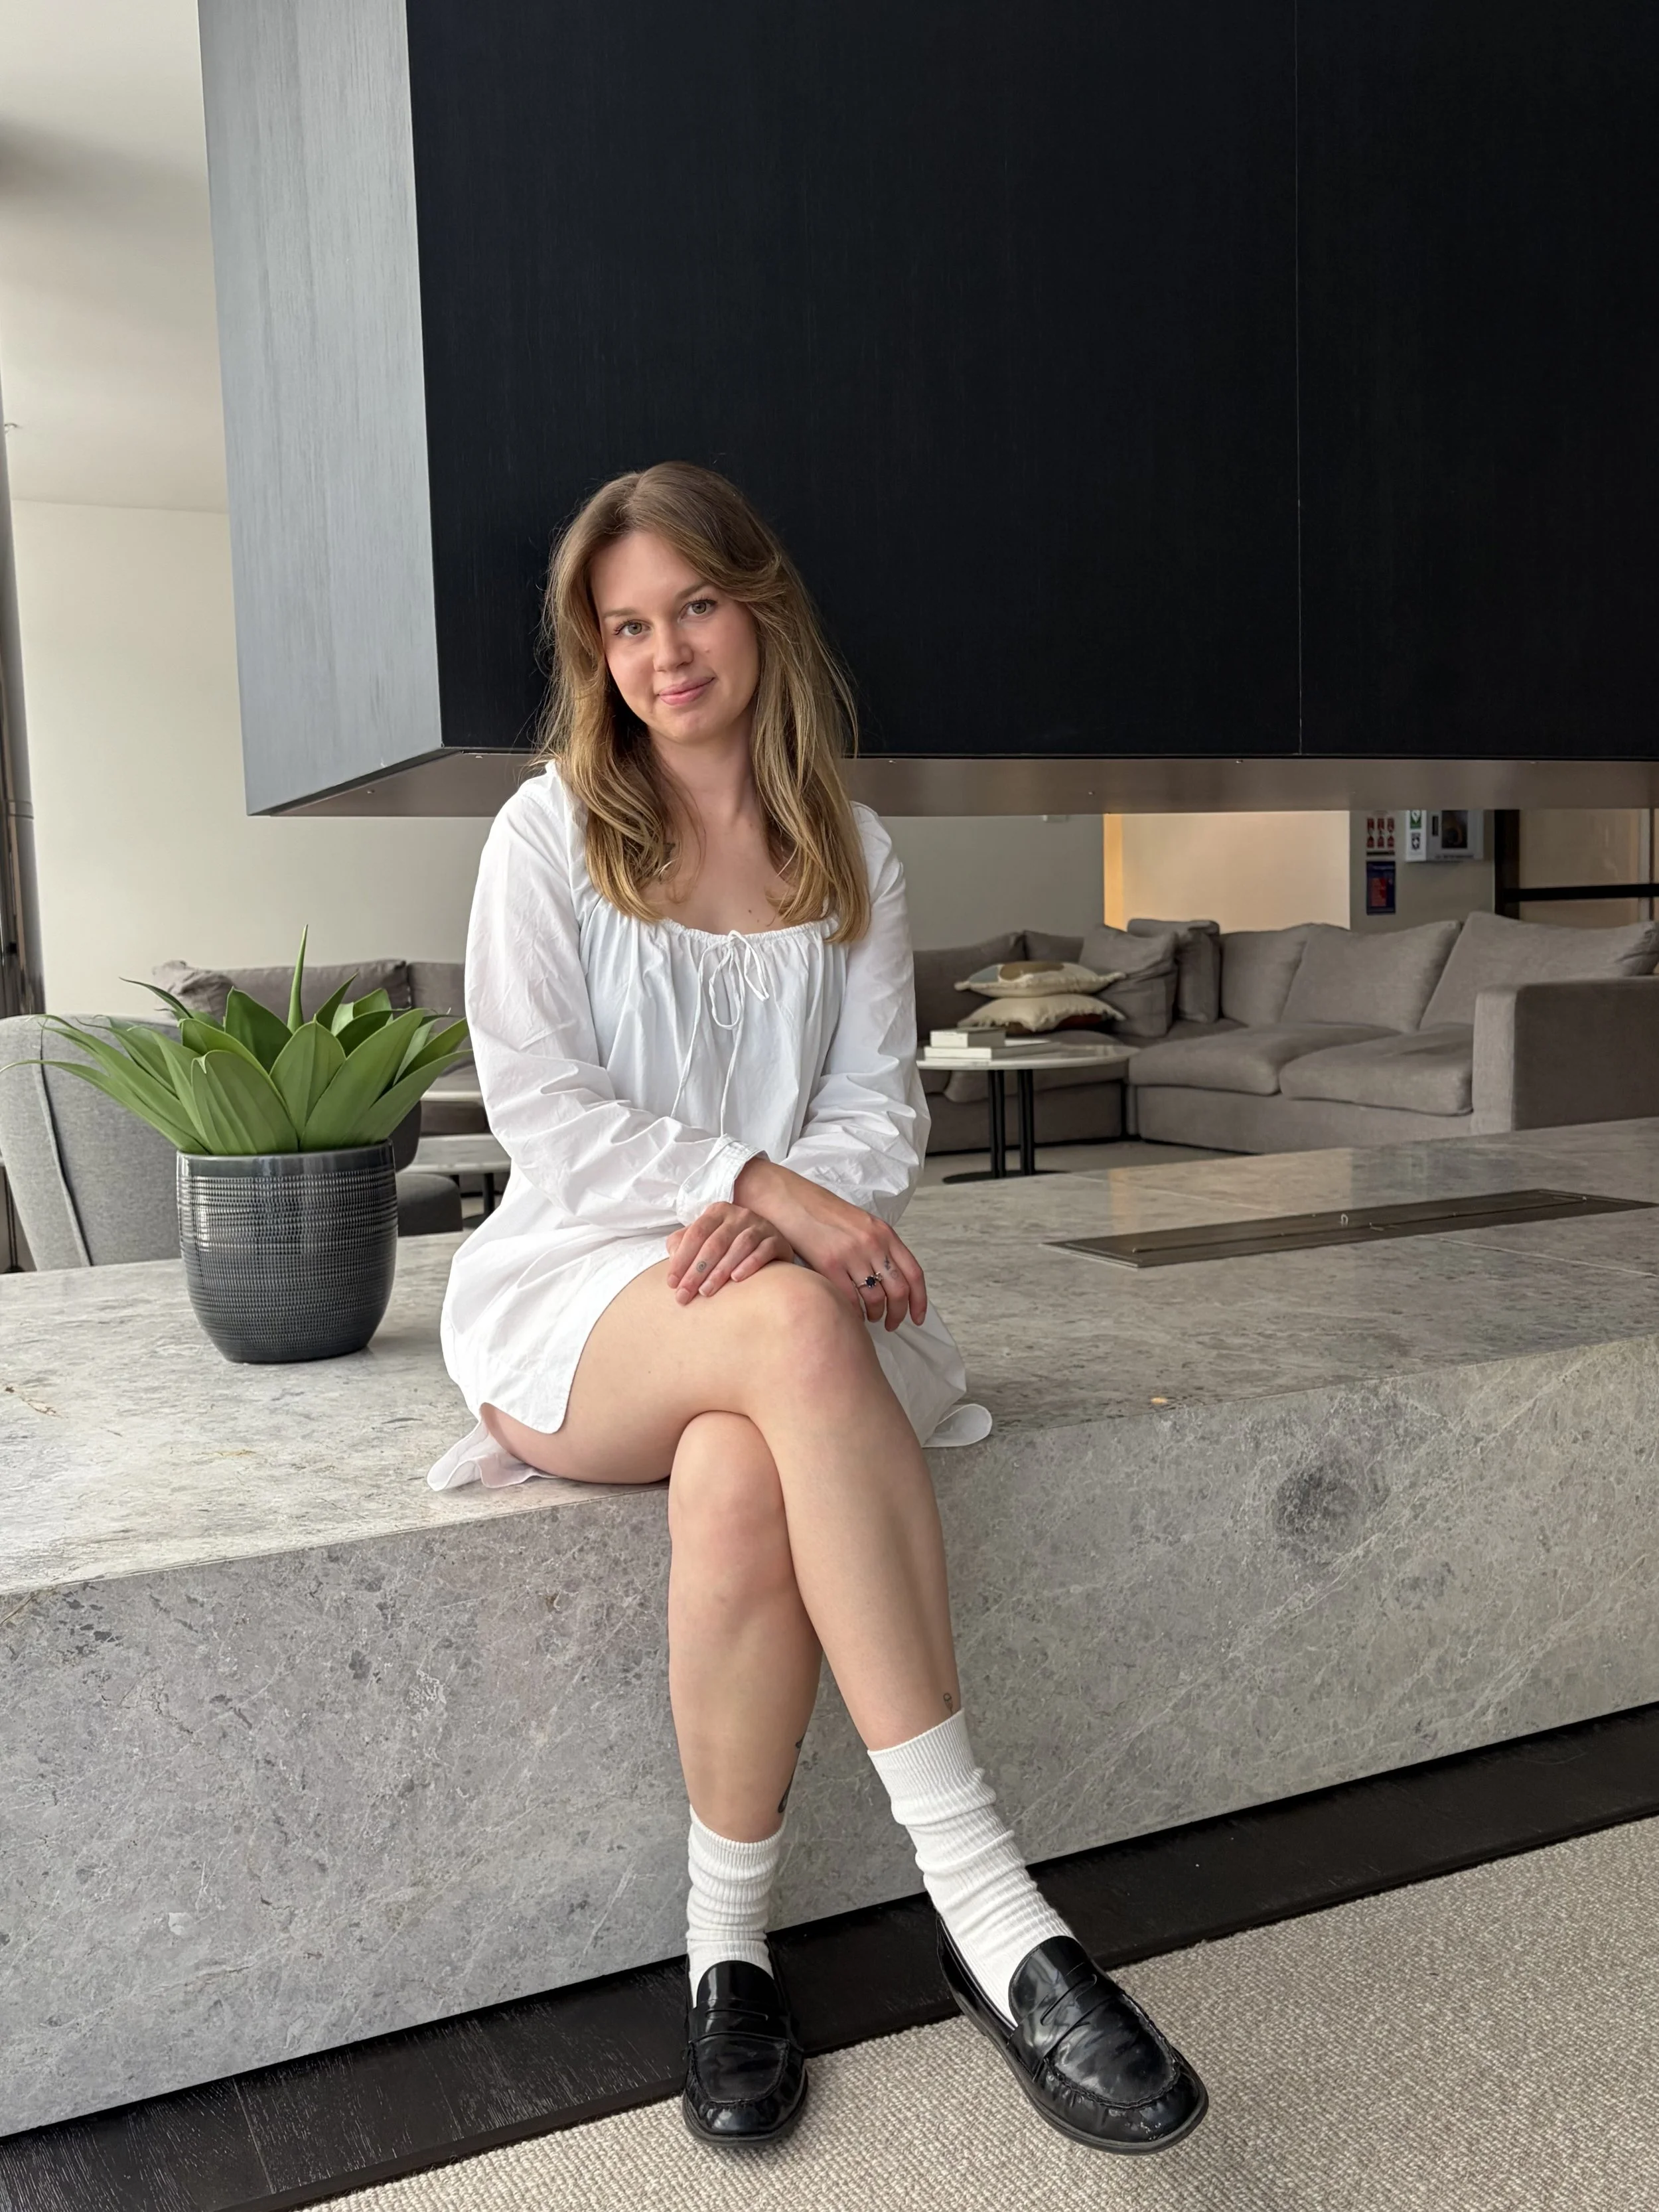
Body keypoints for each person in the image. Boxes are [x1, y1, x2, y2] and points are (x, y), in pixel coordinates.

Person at [428, 461, 1206, 2154]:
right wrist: (763, 1192)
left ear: (758, 606)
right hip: (582, 1289)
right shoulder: (545, 832)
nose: (663, 653)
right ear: (596, 651)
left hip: (765, 1291)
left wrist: (798, 1208)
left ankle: (724, 1955)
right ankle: (994, 1912)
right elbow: (542, 1114)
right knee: (790, 1341)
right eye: (624, 626)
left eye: (691, 607)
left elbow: (879, 1111)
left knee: (737, 1470)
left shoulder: (849, 849)